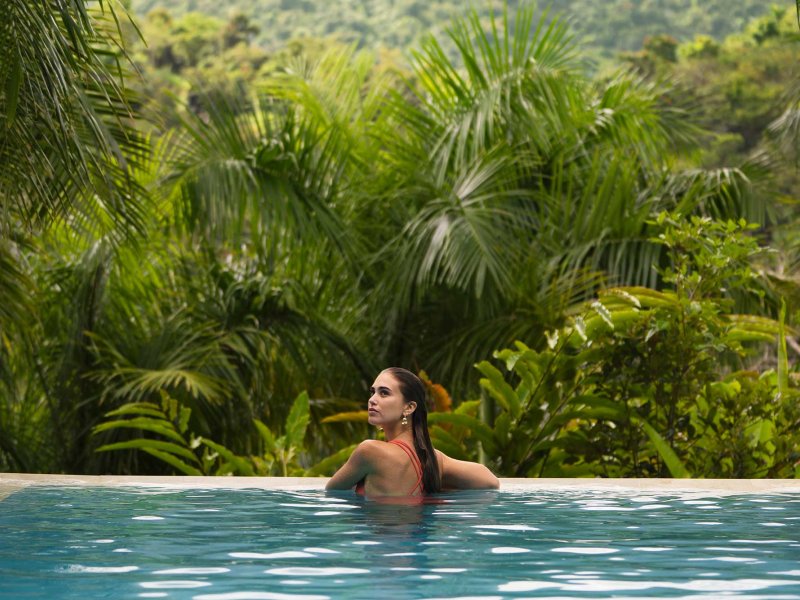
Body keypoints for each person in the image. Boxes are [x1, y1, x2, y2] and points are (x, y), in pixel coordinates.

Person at [326, 367, 499, 498]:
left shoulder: (369, 451)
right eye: (373, 392)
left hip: (380, 543)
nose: (372, 400)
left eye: (384, 393)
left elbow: (331, 494)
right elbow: (490, 482)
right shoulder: (434, 459)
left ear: (409, 408)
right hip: (419, 543)